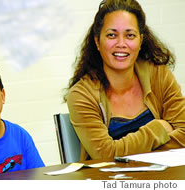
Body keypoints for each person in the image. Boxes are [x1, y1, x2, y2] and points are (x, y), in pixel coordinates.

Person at [64, 0, 185, 161]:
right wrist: (158, 128)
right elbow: (105, 156)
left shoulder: (159, 75)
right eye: (112, 35)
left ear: (140, 41)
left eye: (130, 35)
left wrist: (124, 151)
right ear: (97, 41)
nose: (121, 44)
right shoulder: (81, 95)